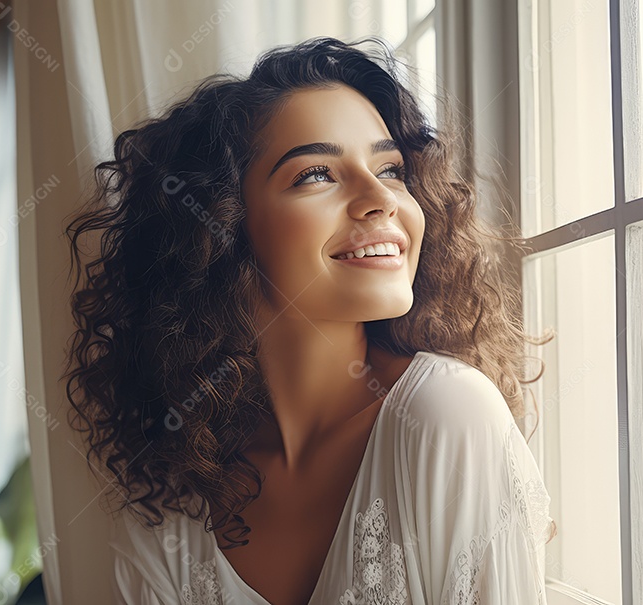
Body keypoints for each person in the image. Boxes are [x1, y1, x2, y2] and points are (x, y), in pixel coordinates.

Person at [64, 36, 557, 605]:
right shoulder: (174, 494)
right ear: (218, 228)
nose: (381, 199)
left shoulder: (444, 417)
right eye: (316, 174)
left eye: (391, 168)